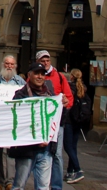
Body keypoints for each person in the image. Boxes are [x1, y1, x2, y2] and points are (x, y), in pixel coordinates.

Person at [9, 62, 55, 190]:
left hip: (45, 150)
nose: (40, 77)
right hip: (26, 150)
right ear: (30, 75)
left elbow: (59, 121)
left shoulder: (51, 96)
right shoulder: (20, 95)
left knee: (43, 187)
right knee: (19, 185)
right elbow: (17, 121)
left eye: (42, 74)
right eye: (37, 74)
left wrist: (63, 107)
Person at [35, 49, 73, 190]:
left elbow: (69, 98)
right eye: (42, 61)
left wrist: (65, 103)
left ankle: (56, 186)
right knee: (38, 153)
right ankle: (40, 184)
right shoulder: (33, 76)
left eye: (47, 61)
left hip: (57, 122)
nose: (45, 63)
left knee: (56, 154)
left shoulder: (59, 77)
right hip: (39, 121)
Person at [0, 56, 25, 190]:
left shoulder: (20, 82)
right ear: (3, 64)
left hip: (12, 122)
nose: (9, 66)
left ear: (15, 66)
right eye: (7, 63)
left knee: (11, 153)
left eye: (12, 64)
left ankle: (10, 181)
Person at [64, 69, 91, 184]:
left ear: (71, 77)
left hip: (69, 120)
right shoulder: (83, 88)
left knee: (67, 147)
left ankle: (78, 170)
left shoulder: (70, 88)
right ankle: (70, 171)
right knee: (73, 147)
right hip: (78, 122)